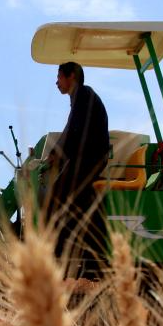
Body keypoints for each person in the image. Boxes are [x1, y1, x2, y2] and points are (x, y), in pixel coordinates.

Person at [44, 61, 109, 278]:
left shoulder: (84, 95)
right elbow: (70, 131)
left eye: (59, 76)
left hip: (90, 159)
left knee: (55, 195)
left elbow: (73, 131)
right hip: (87, 159)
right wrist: (56, 154)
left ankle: (61, 255)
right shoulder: (79, 98)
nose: (56, 82)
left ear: (71, 75)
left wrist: (57, 155)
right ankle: (86, 256)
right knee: (77, 199)